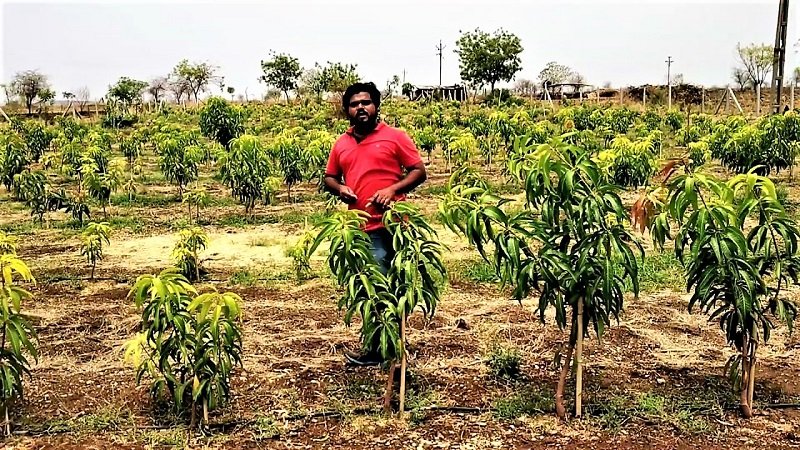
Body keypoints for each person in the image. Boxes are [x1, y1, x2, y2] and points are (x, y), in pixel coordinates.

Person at [324, 81, 427, 366]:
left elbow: (419, 171)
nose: (361, 108)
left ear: (376, 106)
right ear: (347, 110)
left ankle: (392, 347)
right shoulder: (341, 144)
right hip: (363, 229)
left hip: (396, 225)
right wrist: (340, 188)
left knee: (398, 285)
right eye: (355, 104)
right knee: (371, 288)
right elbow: (329, 177)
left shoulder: (395, 137)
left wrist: (393, 190)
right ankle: (379, 346)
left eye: (366, 102)